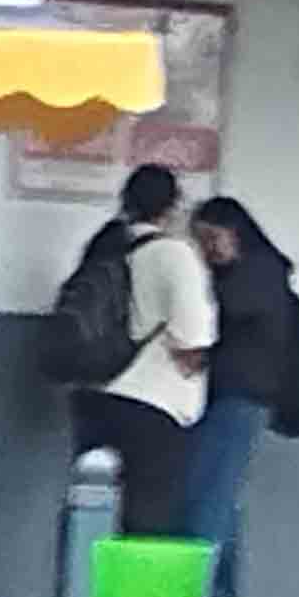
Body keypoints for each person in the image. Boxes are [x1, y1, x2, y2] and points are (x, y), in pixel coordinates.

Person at [184, 195, 299, 597]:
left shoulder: (255, 277)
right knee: (221, 498)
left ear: (235, 233)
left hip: (239, 397)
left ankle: (197, 596)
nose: (208, 250)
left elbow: (227, 314)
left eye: (212, 239)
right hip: (234, 397)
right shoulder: (263, 274)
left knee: (210, 497)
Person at [67, 165, 216, 538]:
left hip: (95, 394)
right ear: (173, 206)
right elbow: (192, 336)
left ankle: (80, 591)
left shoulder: (104, 246)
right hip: (153, 403)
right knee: (148, 522)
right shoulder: (175, 255)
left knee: (90, 511)